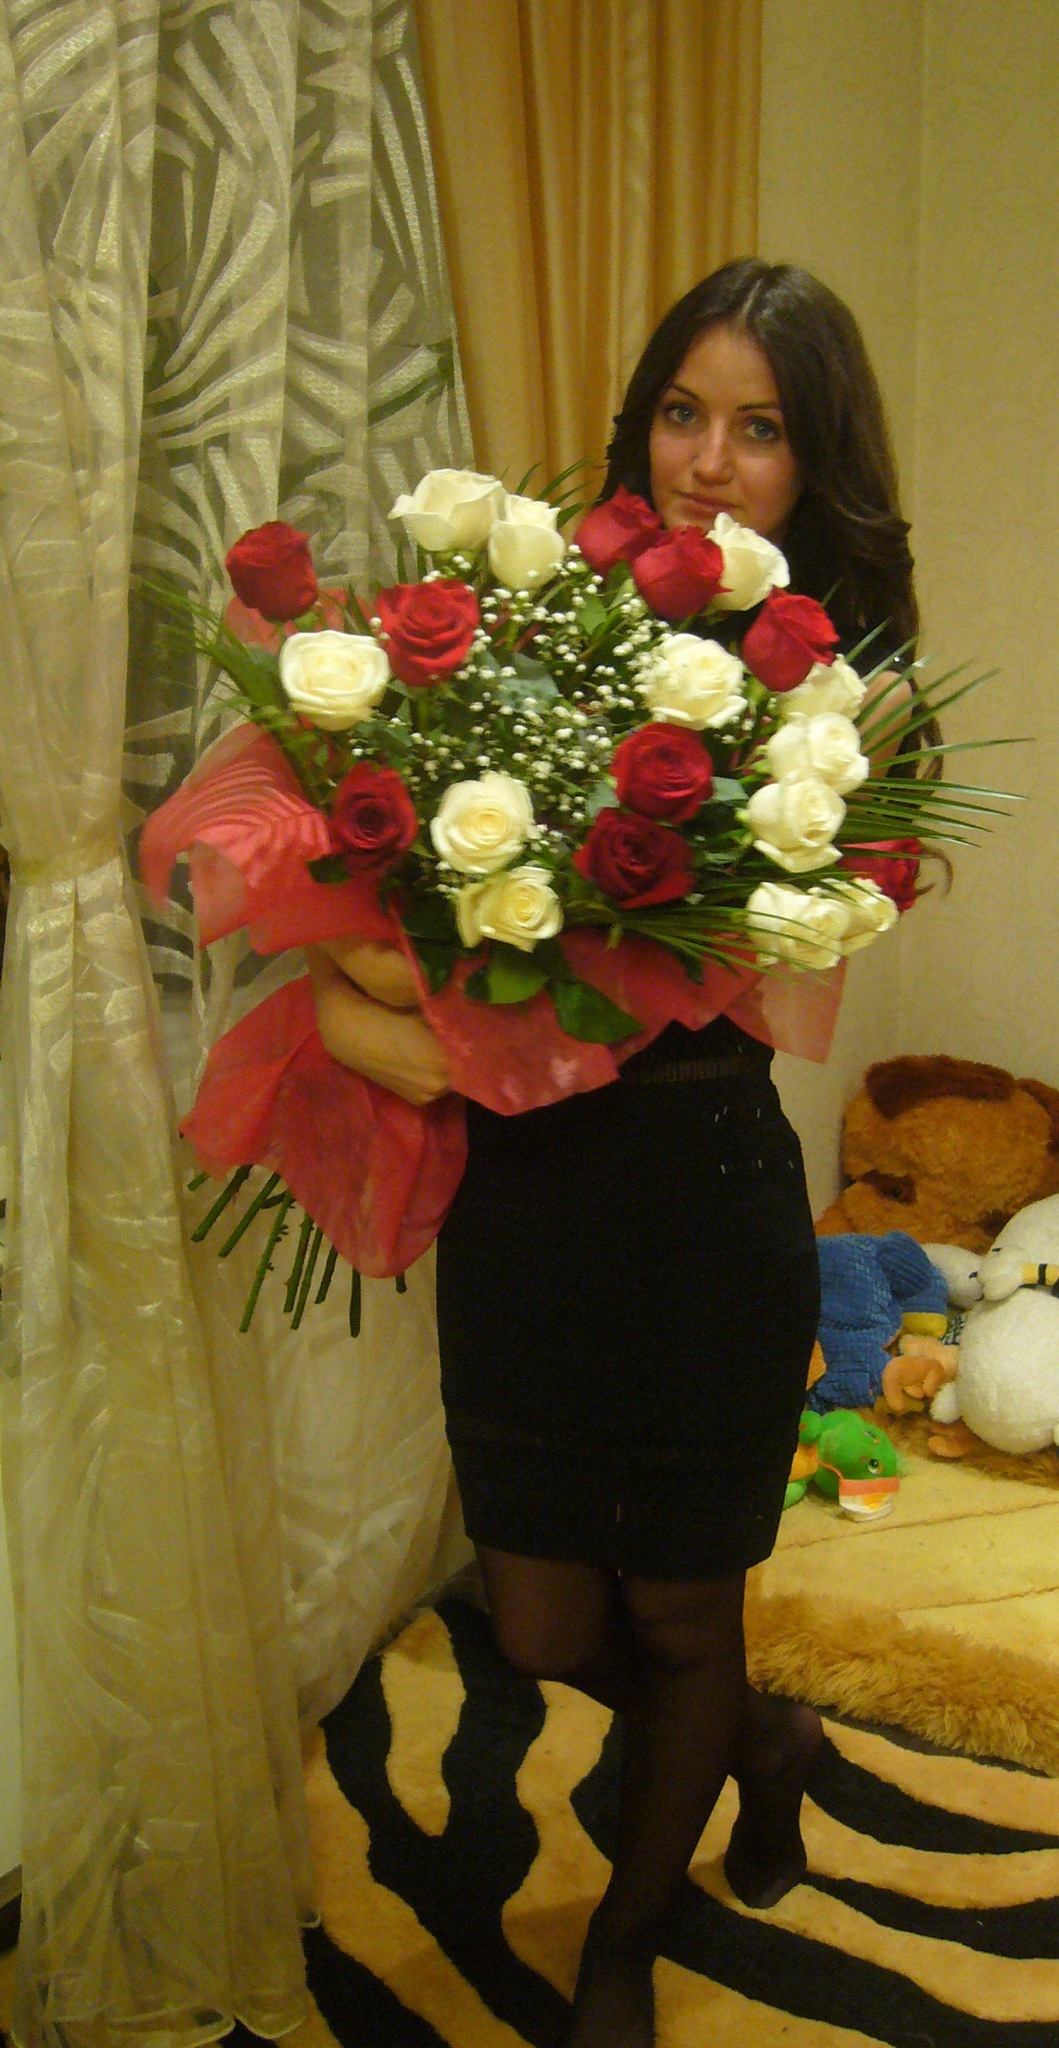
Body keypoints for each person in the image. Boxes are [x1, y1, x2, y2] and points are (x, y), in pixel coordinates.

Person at [307, 258, 919, 2048]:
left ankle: (621, 1953)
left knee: (682, 1616)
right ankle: (769, 1744)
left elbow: (793, 940)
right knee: (541, 1625)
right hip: (530, 1203)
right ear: (639, 426)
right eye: (681, 413)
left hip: (703, 1200)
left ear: (815, 463)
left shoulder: (856, 698)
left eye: (761, 429)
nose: (709, 462)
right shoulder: (543, 636)